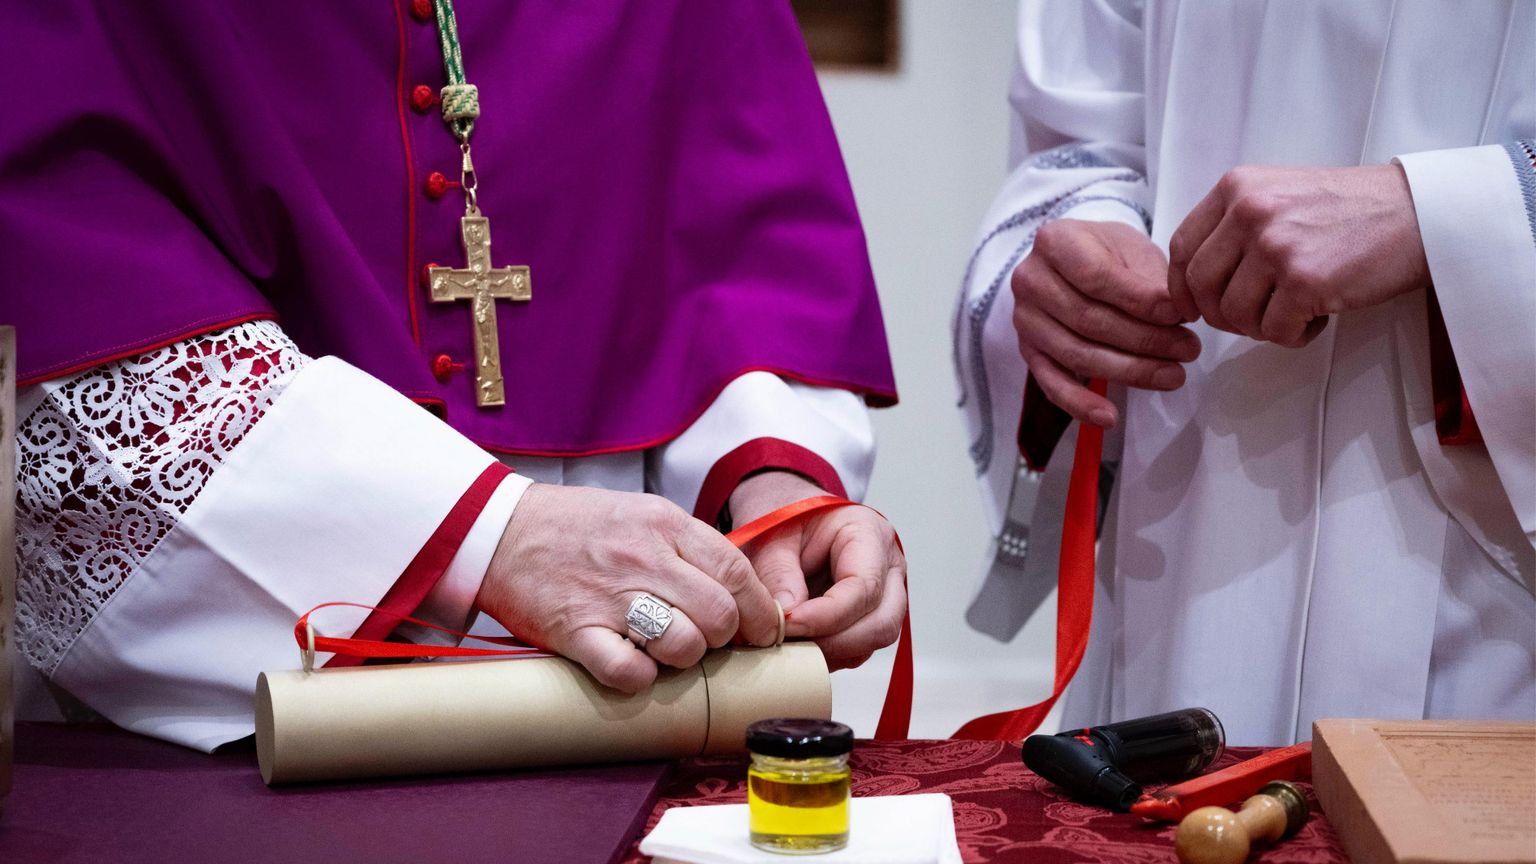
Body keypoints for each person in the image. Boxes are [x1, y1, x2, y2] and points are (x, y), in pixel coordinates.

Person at [2, 1, 907, 751]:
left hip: (655, 699)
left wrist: (771, 484)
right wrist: (488, 538)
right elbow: (69, 257)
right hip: (260, 683)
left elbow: (735, 221)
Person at [957, 0, 1533, 745]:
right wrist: (1085, 250)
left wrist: (1445, 216)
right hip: (1181, 519)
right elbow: (1082, 125)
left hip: (1490, 603)